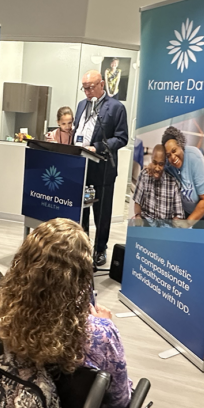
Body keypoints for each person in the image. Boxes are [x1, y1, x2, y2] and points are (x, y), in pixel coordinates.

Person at [0, 218, 132, 408]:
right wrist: (105, 324)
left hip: (12, 407)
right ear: (80, 278)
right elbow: (120, 401)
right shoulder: (100, 333)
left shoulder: (3, 313)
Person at [74, 69, 129, 268]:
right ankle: (82, 247)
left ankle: (99, 249)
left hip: (102, 168)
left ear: (102, 84)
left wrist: (96, 147)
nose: (87, 92)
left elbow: (121, 138)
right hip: (80, 166)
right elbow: (78, 130)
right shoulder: (81, 105)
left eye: (90, 88)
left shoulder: (116, 108)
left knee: (101, 211)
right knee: (82, 211)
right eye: (84, 88)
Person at [162, 126, 204, 222]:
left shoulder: (193, 157)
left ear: (181, 145)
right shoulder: (169, 165)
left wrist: (187, 224)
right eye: (168, 155)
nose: (172, 157)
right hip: (191, 211)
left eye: (174, 150)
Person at [133, 143, 185, 222]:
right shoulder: (144, 175)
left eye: (161, 164)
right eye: (155, 163)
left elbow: (178, 214)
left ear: (165, 163)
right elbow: (137, 202)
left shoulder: (173, 183)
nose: (157, 168)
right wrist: (138, 216)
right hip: (146, 225)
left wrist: (176, 222)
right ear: (151, 160)